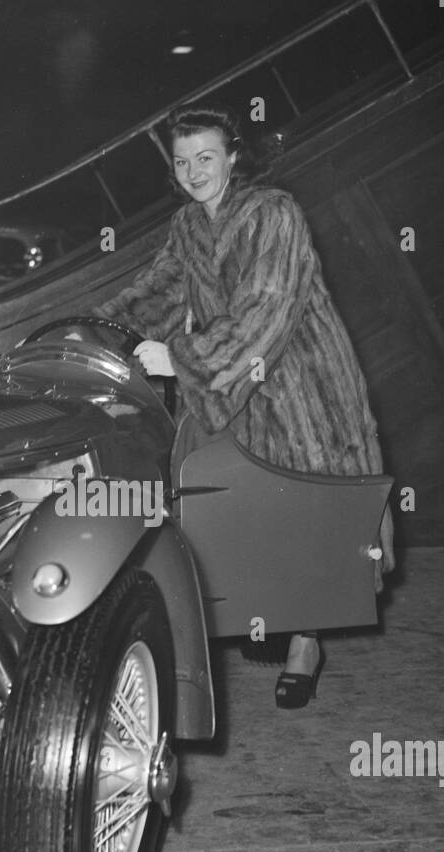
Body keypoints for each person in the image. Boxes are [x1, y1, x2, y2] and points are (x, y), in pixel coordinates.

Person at [92, 102, 395, 709]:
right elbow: (156, 292)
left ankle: (306, 642)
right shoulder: (187, 226)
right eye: (182, 162)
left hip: (301, 382)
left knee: (309, 505)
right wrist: (97, 330)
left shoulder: (274, 212)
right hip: (234, 382)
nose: (194, 171)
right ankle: (273, 617)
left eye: (206, 157)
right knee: (252, 507)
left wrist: (180, 358)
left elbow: (266, 309)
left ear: (232, 157)